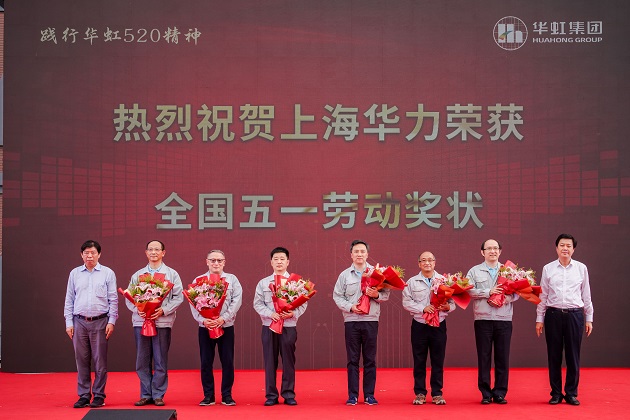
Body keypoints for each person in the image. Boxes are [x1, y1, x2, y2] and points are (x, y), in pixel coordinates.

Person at [536, 234, 594, 406]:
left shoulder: (581, 268)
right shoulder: (548, 269)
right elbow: (543, 295)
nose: (565, 248)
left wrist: (589, 318)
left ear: (573, 249)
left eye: (568, 246)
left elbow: (586, 294)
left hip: (575, 315)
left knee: (573, 355)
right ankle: (555, 393)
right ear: (556, 248)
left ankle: (571, 393)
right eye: (562, 245)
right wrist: (539, 318)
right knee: (553, 355)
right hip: (553, 315)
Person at [125, 240, 183, 407]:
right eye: (150, 249)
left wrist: (163, 310)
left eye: (157, 249)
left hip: (162, 322)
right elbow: (129, 297)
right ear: (146, 253)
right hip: (141, 322)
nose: (153, 252)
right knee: (142, 360)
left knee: (160, 360)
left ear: (163, 252)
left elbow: (178, 297)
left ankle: (158, 394)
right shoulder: (138, 275)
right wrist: (138, 309)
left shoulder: (172, 274)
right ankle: (145, 394)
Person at [333, 240, 390, 406]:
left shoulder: (378, 274)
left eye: (362, 251)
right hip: (351, 320)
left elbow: (386, 295)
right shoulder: (344, 275)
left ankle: (369, 395)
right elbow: (337, 296)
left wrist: (375, 295)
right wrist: (351, 307)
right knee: (352, 359)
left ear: (367, 254)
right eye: (356, 251)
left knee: (370, 359)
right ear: (351, 255)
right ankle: (352, 395)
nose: (359, 254)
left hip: (370, 320)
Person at [64, 240, 118, 409]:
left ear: (99, 254)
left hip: (100, 321)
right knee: (81, 360)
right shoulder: (74, 274)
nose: (89, 256)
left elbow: (113, 299)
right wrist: (69, 322)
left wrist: (112, 321)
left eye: (93, 252)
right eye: (86, 253)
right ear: (81, 255)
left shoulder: (107, 273)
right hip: (79, 321)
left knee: (100, 362)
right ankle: (84, 395)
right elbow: (69, 299)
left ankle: (99, 395)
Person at [467, 239, 518, 404]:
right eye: (489, 248)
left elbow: (517, 293)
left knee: (503, 357)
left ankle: (500, 392)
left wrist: (503, 298)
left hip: (504, 319)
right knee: (484, 357)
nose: (492, 251)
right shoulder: (474, 271)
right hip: (483, 319)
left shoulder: (509, 271)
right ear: (482, 252)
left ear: (500, 251)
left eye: (495, 248)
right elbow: (468, 291)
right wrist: (489, 292)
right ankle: (486, 393)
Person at [253, 247, 306, 406]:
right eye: (276, 259)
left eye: (282, 259)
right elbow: (257, 304)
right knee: (270, 362)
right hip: (269, 326)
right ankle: (271, 395)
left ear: (288, 262)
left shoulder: (296, 282)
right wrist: (271, 314)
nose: (279, 262)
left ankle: (288, 394)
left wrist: (292, 314)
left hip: (289, 326)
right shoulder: (263, 283)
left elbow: (303, 304)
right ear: (271, 262)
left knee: (289, 361)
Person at [402, 251, 454, 405]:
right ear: (419, 264)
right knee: (419, 359)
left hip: (439, 325)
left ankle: (437, 393)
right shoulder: (412, 282)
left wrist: (447, 307)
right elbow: (406, 302)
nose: (427, 263)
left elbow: (453, 303)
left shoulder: (445, 281)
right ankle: (420, 393)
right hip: (420, 325)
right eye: (423, 260)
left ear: (435, 262)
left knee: (438, 359)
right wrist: (422, 308)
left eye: (430, 260)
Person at [192, 250, 243, 407]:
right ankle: (208, 396)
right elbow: (193, 303)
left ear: (224, 262)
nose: (216, 263)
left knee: (227, 361)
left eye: (219, 260)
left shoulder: (232, 279)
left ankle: (227, 395)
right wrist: (203, 320)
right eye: (213, 260)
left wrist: (223, 318)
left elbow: (237, 301)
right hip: (205, 327)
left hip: (226, 326)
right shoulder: (199, 280)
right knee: (206, 362)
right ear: (207, 262)